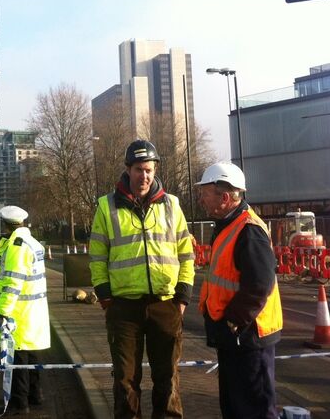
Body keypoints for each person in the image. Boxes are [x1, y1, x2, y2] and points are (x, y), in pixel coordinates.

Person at [89, 139, 194, 419]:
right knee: (125, 381)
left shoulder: (172, 205)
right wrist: (106, 296)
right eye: (138, 169)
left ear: (155, 170)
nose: (144, 175)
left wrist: (182, 297)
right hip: (123, 308)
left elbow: (186, 253)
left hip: (166, 304)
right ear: (128, 169)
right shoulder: (107, 206)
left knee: (168, 379)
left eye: (148, 169)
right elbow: (97, 255)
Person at [196, 162, 282, 419]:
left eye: (205, 192)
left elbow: (259, 284)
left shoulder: (248, 230)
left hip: (249, 338)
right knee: (235, 407)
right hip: (236, 338)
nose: (201, 198)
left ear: (224, 197)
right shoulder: (228, 225)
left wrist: (233, 321)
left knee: (254, 409)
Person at [0, 205, 50, 417]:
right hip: (34, 312)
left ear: (6, 224)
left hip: (19, 313)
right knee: (33, 354)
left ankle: (19, 402)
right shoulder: (33, 243)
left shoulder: (16, 247)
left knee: (18, 358)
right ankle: (35, 396)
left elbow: (13, 282)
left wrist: (3, 310)